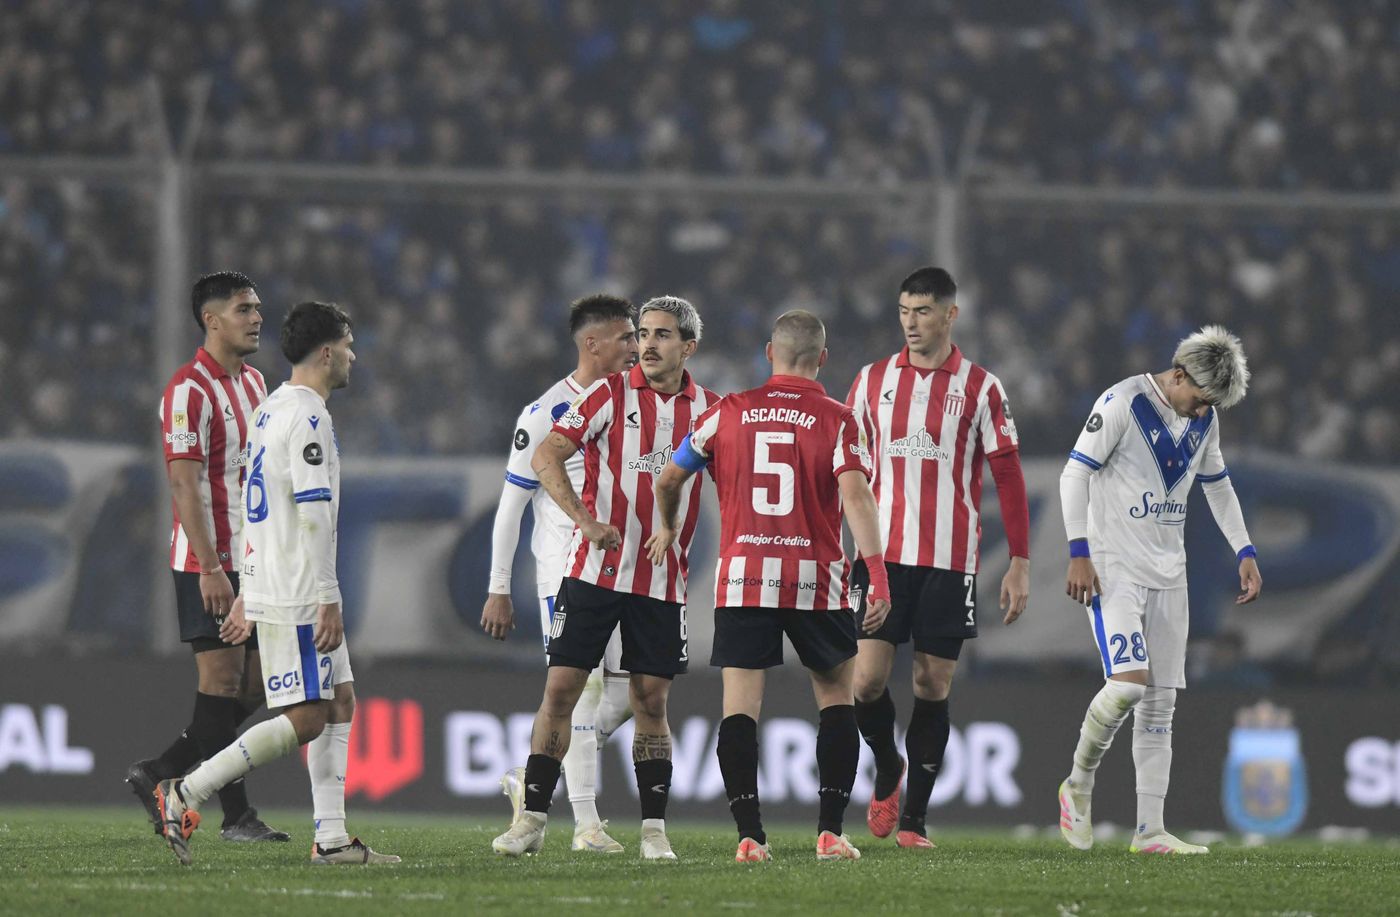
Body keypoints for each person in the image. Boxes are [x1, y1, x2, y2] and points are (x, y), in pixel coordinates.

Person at [153, 301, 398, 867]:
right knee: (310, 715)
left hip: (279, 581)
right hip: (300, 589)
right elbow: (311, 513)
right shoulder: (308, 415)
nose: (355, 357)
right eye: (351, 345)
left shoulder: (271, 408)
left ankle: (333, 840)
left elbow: (258, 512)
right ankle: (185, 791)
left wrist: (249, 589)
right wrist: (325, 598)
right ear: (329, 351)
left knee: (340, 701)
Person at [650, 310, 893, 863]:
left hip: (744, 580)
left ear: (769, 352)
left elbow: (668, 477)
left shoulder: (725, 413)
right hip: (817, 582)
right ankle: (830, 833)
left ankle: (749, 838)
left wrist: (667, 525)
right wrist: (876, 575)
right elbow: (856, 497)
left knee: (740, 709)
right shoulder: (839, 419)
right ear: (822, 359)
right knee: (835, 701)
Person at [491, 296, 719, 861]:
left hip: (661, 583)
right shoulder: (606, 395)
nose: (647, 344)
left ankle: (653, 833)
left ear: (688, 347)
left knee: (649, 702)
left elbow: (737, 482)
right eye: (642, 333)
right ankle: (534, 821)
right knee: (562, 691)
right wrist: (585, 520)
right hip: (592, 574)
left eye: (662, 335)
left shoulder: (712, 411)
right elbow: (547, 455)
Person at [1058, 324, 1262, 855]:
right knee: (1129, 684)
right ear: (1177, 375)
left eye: (1209, 406)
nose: (1201, 412)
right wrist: (1078, 552)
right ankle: (1078, 785)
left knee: (1160, 704)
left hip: (1172, 572)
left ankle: (1150, 829)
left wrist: (1244, 549)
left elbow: (1218, 485)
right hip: (1113, 565)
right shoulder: (1122, 402)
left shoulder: (1205, 418)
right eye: (1198, 400)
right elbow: (1073, 475)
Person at [845, 266, 1031, 847]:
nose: (911, 322)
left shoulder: (981, 387)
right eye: (904, 311)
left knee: (931, 682)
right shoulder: (871, 381)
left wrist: (1020, 562)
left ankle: (915, 821)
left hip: (950, 561)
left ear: (951, 314)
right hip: (881, 555)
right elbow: (847, 469)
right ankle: (887, 763)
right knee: (868, 682)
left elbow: (1007, 473)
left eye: (923, 311)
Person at [126, 272, 287, 843]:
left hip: (254, 558)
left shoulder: (256, 383)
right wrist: (212, 567)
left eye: (258, 307)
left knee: (263, 686)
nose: (257, 317)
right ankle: (236, 817)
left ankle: (161, 772)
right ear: (210, 319)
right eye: (244, 308)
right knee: (220, 686)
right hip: (208, 562)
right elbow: (183, 488)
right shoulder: (187, 391)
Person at [480, 294, 639, 853]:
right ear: (592, 343)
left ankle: (531, 780)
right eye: (626, 337)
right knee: (584, 690)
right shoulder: (545, 411)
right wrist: (500, 586)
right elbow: (511, 506)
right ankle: (587, 826)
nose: (636, 347)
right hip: (565, 571)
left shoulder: (629, 402)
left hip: (620, 572)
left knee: (632, 694)